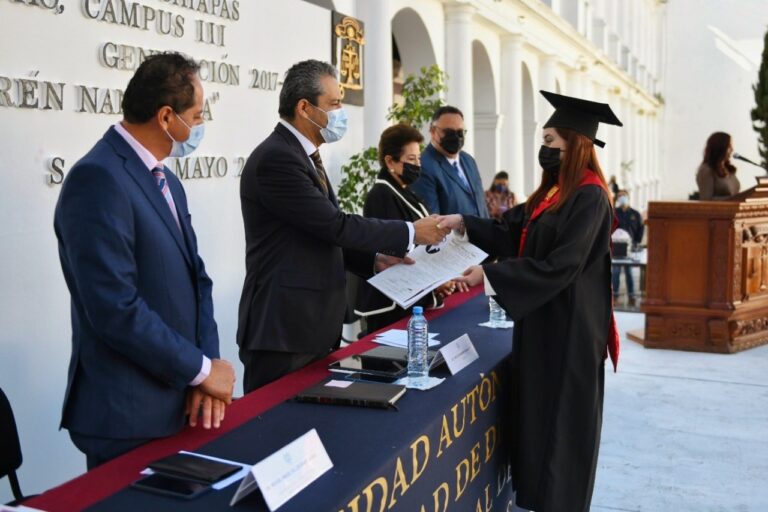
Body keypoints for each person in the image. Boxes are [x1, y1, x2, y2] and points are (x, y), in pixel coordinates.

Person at [436, 90, 622, 512]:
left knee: (560, 431)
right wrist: (463, 222)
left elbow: (562, 266)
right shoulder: (553, 194)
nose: (546, 149)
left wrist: (490, 274)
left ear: (576, 145)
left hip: (570, 334)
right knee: (538, 422)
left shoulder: (590, 197)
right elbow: (510, 232)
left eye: (552, 141)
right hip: (544, 326)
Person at [53, 53, 235, 469]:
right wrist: (201, 369)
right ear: (167, 117)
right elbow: (114, 307)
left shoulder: (166, 178)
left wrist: (203, 373)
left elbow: (197, 280)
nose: (201, 125)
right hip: (129, 415)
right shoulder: (97, 178)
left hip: (183, 401)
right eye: (198, 114)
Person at [237, 60, 448, 393]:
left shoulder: (303, 155)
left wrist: (373, 260)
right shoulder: (277, 158)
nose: (340, 112)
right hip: (284, 331)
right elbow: (335, 225)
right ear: (304, 108)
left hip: (311, 327)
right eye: (334, 104)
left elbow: (318, 233)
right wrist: (411, 232)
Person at [354, 124, 466, 334]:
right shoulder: (381, 195)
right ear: (390, 161)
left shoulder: (405, 191)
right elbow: (394, 253)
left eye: (419, 159)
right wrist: (433, 285)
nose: (418, 165)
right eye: (411, 159)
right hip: (389, 306)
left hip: (411, 298)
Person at [410, 106, 490, 218]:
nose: (456, 137)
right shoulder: (423, 167)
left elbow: (481, 206)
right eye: (449, 132)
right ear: (433, 131)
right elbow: (432, 222)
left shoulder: (468, 161)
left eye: (460, 132)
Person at [612, 189, 644, 299]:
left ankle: (631, 296)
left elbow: (641, 228)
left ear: (628, 197)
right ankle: (614, 297)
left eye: (624, 195)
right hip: (616, 248)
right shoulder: (614, 212)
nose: (622, 198)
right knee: (615, 272)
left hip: (630, 248)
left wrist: (636, 242)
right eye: (620, 196)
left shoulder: (635, 214)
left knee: (629, 272)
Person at [696, 132, 740, 200]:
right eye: (729, 146)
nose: (732, 150)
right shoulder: (706, 170)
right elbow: (706, 200)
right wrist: (735, 199)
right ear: (720, 147)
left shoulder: (729, 170)